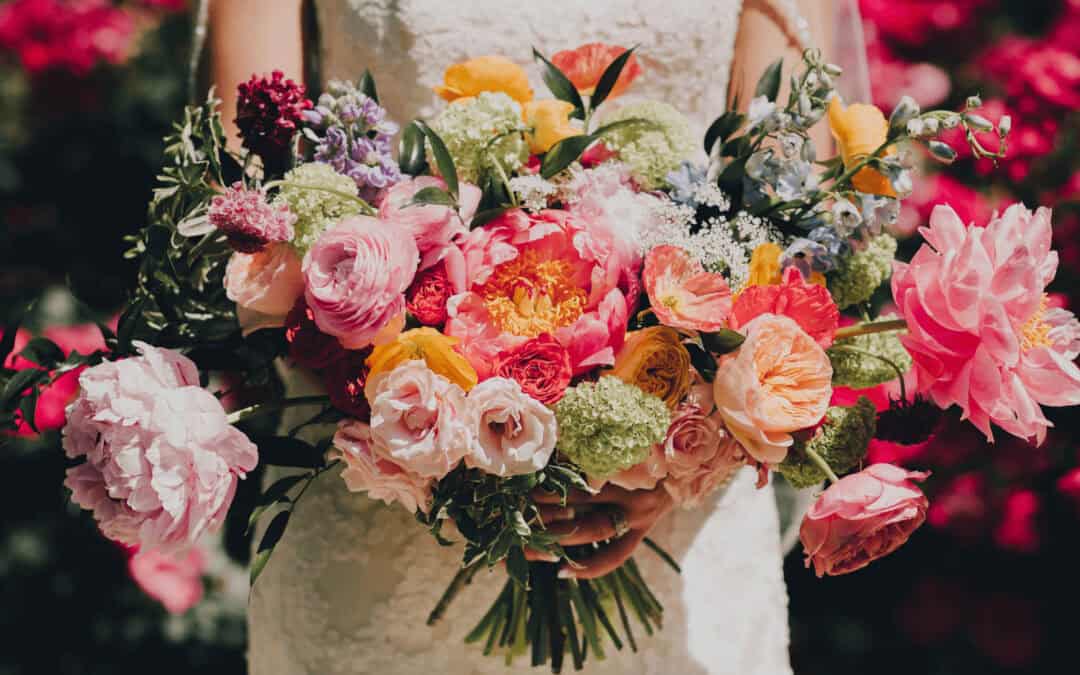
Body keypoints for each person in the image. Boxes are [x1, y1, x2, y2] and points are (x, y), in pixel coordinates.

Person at [206, 2, 840, 673]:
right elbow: (247, 201)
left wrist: (673, 457)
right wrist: (432, 447)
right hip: (376, 502)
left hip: (678, 527)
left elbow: (794, 192)